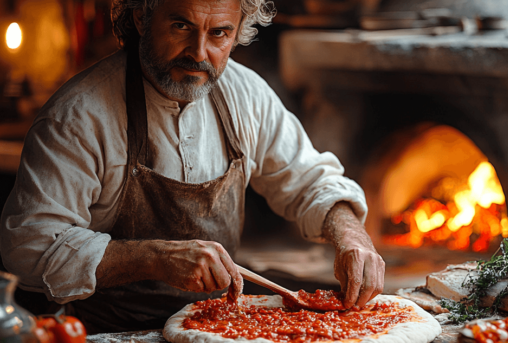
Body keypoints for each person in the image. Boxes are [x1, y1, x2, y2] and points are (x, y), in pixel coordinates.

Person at [0, 0, 385, 334]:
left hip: (222, 323)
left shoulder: (245, 93)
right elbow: (28, 247)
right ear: (141, 19)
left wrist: (351, 236)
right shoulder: (79, 116)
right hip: (113, 328)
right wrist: (155, 257)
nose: (199, 52)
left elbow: (309, 179)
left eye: (219, 33)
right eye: (181, 26)